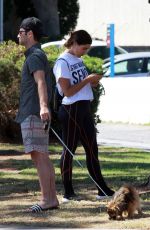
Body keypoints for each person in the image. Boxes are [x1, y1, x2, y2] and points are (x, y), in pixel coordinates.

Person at [53, 30, 114, 203]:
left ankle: (102, 189)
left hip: (84, 108)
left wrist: (92, 83)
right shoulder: (62, 62)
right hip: (71, 109)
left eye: (88, 49)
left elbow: (79, 85)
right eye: (84, 48)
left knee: (92, 148)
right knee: (69, 149)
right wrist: (87, 80)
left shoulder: (78, 59)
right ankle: (68, 192)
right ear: (74, 43)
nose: (85, 52)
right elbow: (68, 92)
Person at [16, 17, 59, 212]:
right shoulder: (37, 54)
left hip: (34, 112)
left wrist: (43, 107)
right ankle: (51, 199)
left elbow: (41, 82)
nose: (18, 35)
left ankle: (47, 200)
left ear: (29, 34)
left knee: (39, 156)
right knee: (41, 156)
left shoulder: (34, 56)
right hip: (33, 111)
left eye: (21, 32)